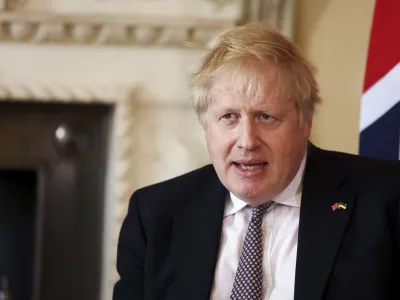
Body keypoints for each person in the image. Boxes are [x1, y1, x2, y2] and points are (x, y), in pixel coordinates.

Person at [112, 21, 400, 300]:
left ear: (305, 122)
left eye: (266, 117)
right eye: (229, 117)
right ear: (206, 126)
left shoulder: (385, 199)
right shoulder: (155, 214)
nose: (247, 141)